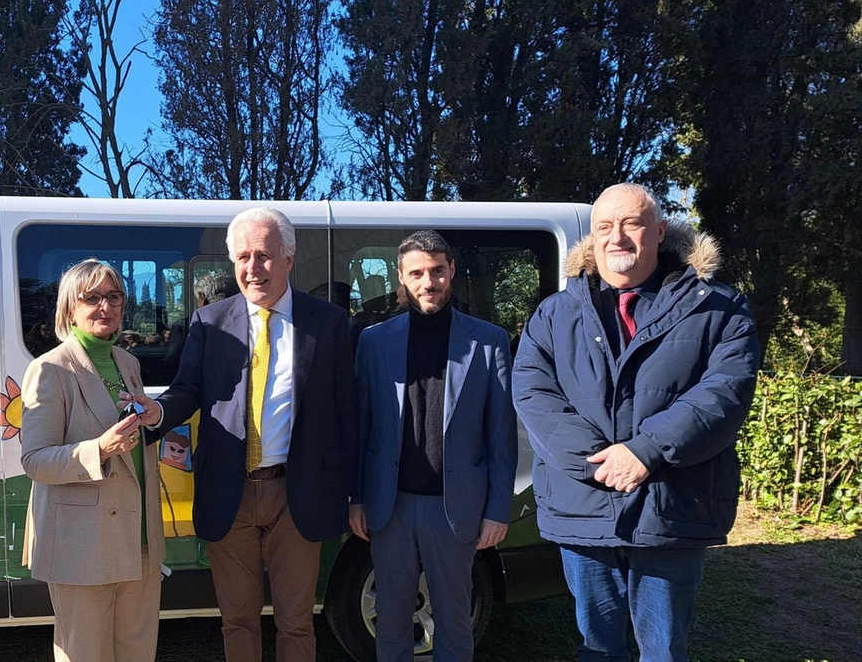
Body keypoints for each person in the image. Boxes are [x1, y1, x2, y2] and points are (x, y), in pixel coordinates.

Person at [512, 183, 759, 662]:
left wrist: (645, 451)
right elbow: (533, 392)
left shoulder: (719, 308)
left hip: (672, 504)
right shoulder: (553, 313)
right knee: (598, 647)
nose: (616, 237)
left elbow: (725, 393)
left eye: (632, 224)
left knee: (663, 650)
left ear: (660, 231)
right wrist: (597, 463)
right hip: (583, 501)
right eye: (604, 226)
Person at [147, 206, 357, 662]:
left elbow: (347, 413)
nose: (251, 268)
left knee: (296, 622)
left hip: (298, 493)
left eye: (263, 255)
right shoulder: (209, 322)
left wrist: (355, 493)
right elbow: (187, 391)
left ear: (288, 258)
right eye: (242, 257)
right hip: (230, 492)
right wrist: (155, 413)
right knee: (237, 620)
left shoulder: (329, 323)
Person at [351, 230, 516, 662]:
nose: (430, 282)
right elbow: (362, 427)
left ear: (452, 272)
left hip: (456, 508)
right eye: (418, 273)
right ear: (401, 278)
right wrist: (356, 499)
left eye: (438, 271)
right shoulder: (373, 341)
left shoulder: (488, 341)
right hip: (391, 507)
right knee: (390, 621)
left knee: (455, 623)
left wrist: (497, 509)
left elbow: (501, 432)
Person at [18, 258, 166, 662]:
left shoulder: (128, 363)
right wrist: (97, 449)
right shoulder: (48, 369)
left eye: (114, 296)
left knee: (137, 652)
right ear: (70, 308)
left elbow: (131, 440)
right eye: (92, 297)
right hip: (81, 545)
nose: (105, 306)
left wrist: (150, 418)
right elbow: (34, 460)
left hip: (139, 540)